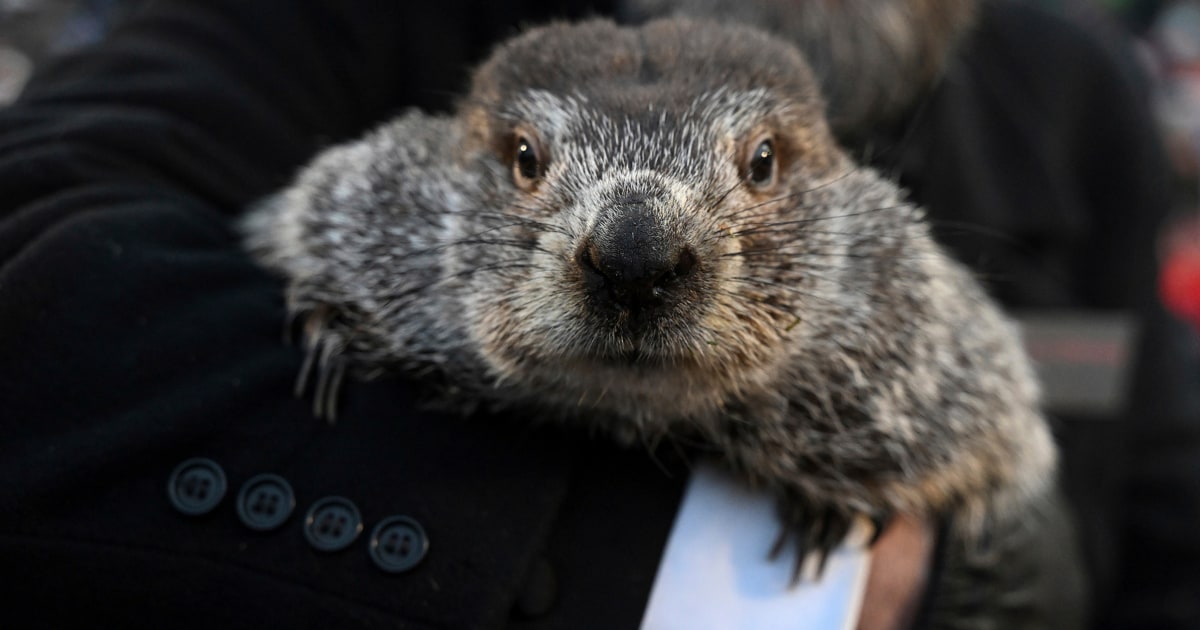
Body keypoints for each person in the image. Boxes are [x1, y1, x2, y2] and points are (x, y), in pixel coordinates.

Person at [0, 1, 1194, 628]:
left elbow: (1165, 526)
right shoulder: (349, 23)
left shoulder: (1076, 98)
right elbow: (40, 259)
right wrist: (722, 588)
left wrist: (995, 566)